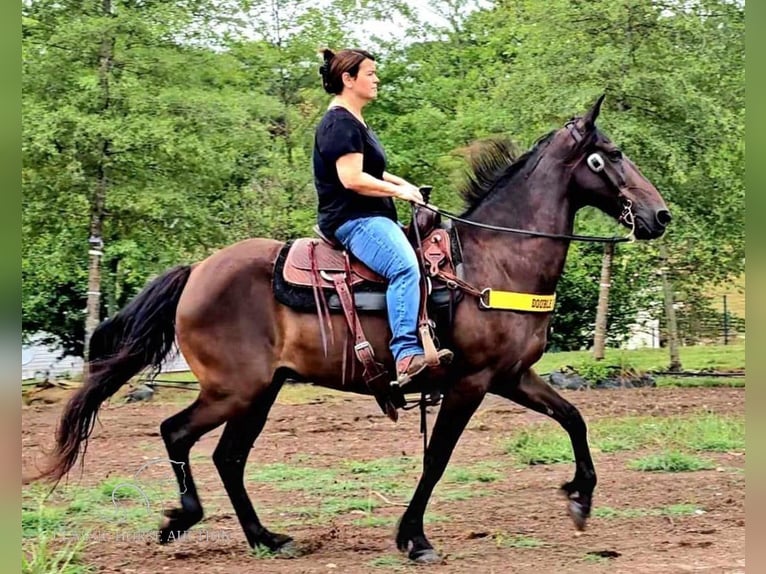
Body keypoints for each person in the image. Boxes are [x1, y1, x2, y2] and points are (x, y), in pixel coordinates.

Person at [312, 48, 452, 388]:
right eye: (370, 73)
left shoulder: (355, 120)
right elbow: (352, 178)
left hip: (371, 215)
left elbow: (371, 169)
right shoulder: (339, 122)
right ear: (348, 79)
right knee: (405, 267)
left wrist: (400, 182)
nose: (377, 79)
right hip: (355, 219)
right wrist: (399, 193)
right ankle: (405, 355)